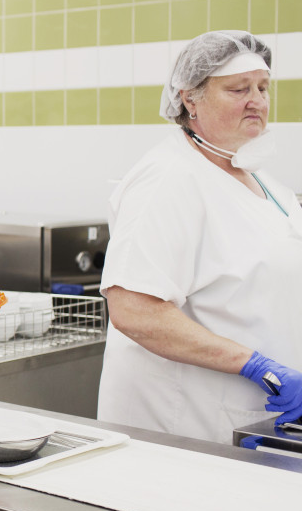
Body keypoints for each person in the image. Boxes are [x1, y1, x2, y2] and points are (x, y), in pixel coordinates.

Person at [97, 30, 302, 443]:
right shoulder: (168, 179)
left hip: (253, 417)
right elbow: (135, 310)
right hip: (187, 423)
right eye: (238, 88)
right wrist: (255, 365)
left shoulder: (261, 179)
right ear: (190, 98)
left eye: (263, 87)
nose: (257, 101)